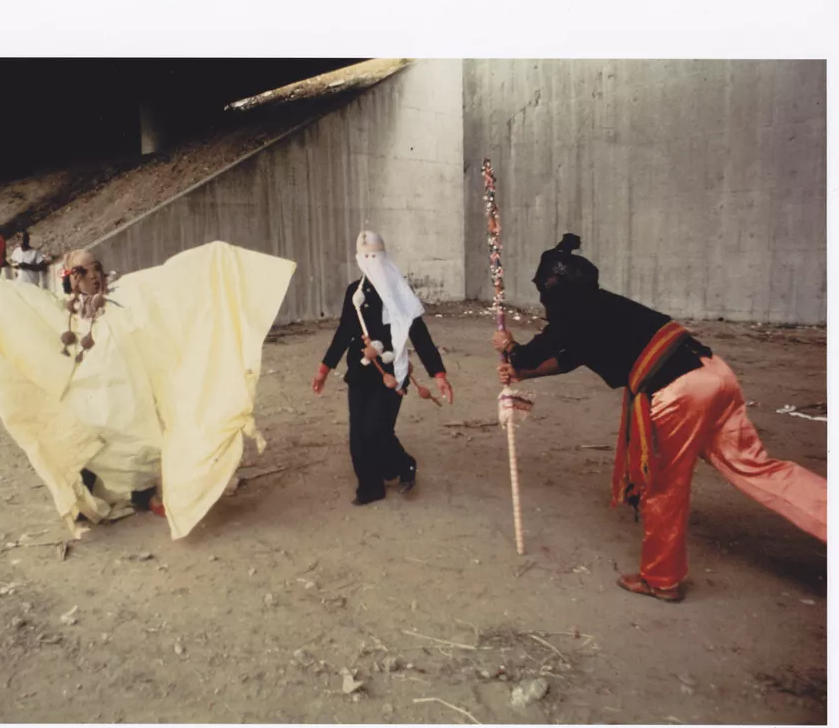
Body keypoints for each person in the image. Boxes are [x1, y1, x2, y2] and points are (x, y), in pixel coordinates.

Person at [492, 233, 827, 602]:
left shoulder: (572, 314)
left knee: (664, 486)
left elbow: (530, 353)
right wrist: (523, 374)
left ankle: (661, 579)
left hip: (680, 393)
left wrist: (510, 348)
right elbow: (569, 358)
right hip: (714, 374)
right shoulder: (605, 306)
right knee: (756, 466)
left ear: (550, 286)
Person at [0, 240, 295, 540]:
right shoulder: (62, 310)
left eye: (96, 268)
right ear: (70, 278)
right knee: (88, 438)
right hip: (91, 392)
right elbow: (21, 303)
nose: (93, 275)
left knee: (141, 439)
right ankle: (100, 496)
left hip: (129, 390)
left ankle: (151, 492)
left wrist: (216, 260)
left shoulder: (123, 297)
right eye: (83, 271)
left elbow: (168, 287)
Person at [312, 230, 453, 506]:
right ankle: (370, 486)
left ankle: (404, 465)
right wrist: (324, 369)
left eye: (374, 256)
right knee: (358, 434)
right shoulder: (354, 292)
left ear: (385, 257)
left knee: (377, 430)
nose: (370, 262)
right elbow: (344, 332)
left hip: (392, 372)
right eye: (365, 257)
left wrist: (438, 374)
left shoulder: (399, 291)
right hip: (361, 371)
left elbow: (418, 334)